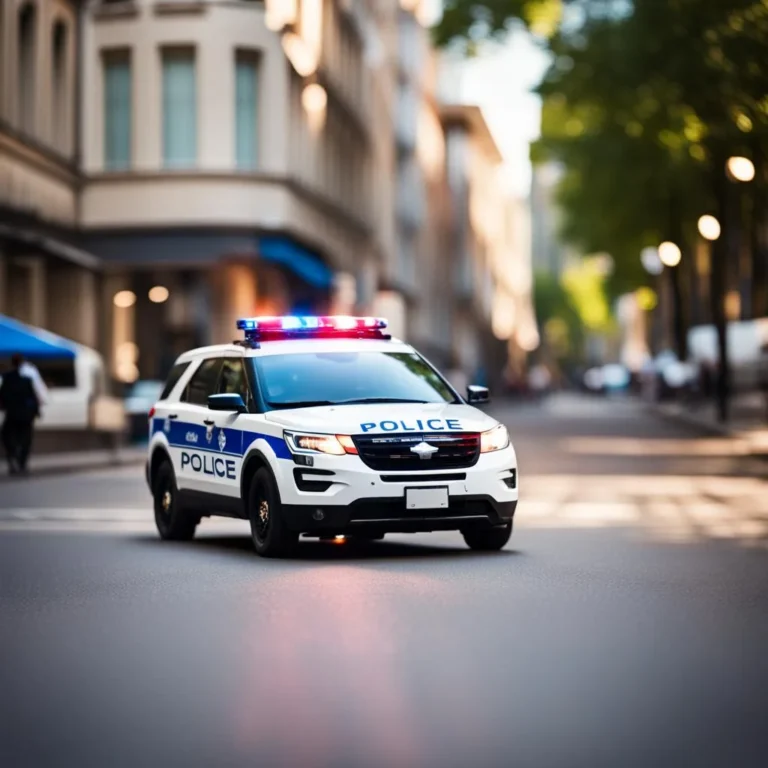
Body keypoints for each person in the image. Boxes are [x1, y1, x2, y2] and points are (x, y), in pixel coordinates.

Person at [0, 354, 41, 474]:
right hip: (24, 415)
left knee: (9, 438)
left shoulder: (8, 378)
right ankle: (21, 461)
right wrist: (35, 412)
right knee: (25, 439)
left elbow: (2, 396)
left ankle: (14, 458)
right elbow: (33, 398)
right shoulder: (26, 380)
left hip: (12, 414)